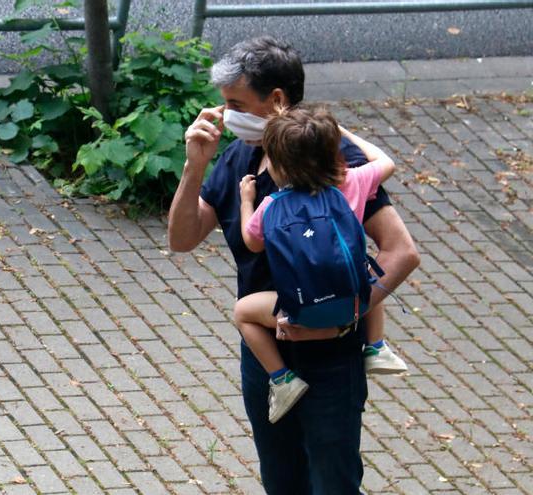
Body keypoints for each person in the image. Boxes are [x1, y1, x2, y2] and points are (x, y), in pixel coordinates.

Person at [168, 36, 420, 494]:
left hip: (330, 359)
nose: (224, 114)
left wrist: (344, 313)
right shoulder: (237, 159)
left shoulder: (331, 162)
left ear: (277, 101)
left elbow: (400, 252)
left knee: (332, 483)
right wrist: (194, 167)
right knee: (282, 480)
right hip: (266, 358)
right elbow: (182, 239)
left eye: (235, 103)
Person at [234, 106, 409, 424]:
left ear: (278, 166)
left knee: (242, 313)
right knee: (362, 266)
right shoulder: (353, 183)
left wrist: (247, 200)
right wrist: (345, 133)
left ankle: (283, 379)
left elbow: (251, 241)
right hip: (352, 304)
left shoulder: (272, 205)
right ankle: (376, 345)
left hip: (298, 312)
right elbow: (386, 162)